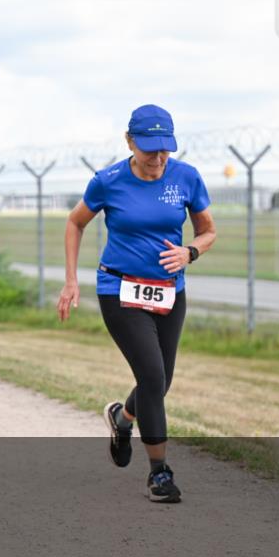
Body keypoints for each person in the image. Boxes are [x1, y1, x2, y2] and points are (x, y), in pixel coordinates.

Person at [57, 104, 216, 504]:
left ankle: (121, 418)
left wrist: (190, 252)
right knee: (150, 376)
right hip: (120, 289)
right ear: (130, 142)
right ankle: (159, 473)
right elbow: (75, 222)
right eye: (149, 150)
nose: (158, 159)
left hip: (169, 291)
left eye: (165, 150)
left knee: (161, 381)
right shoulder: (108, 181)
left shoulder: (187, 177)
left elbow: (208, 230)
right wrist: (71, 280)